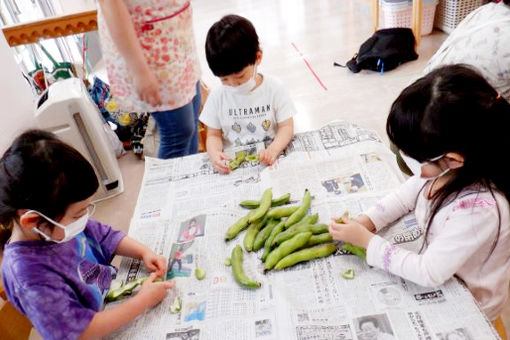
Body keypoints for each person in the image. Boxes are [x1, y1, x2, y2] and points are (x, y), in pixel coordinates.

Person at [328, 65, 510, 323]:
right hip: (444, 267)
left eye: (410, 155)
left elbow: (428, 272)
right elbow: (404, 196)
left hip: (470, 304)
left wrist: (368, 242)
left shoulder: (479, 210)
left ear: (453, 159)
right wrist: (367, 222)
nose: (402, 157)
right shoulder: (445, 171)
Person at [0, 130, 175, 340]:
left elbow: (105, 236)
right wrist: (143, 301)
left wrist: (144, 252)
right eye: (77, 214)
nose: (83, 219)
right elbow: (81, 332)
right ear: (33, 221)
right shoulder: (29, 277)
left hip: (110, 297)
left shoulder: (56, 227)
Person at [97, 0, 201, 159]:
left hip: (176, 32)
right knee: (178, 132)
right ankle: (171, 183)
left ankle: (190, 180)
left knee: (191, 124)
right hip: (148, 47)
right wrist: (140, 71)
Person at [199, 14, 296, 173]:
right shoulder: (217, 96)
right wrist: (215, 154)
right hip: (235, 167)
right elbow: (213, 135)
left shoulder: (275, 89)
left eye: (240, 76)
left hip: (271, 161)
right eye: (224, 79)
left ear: (258, 57)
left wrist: (273, 150)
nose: (233, 84)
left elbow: (286, 127)